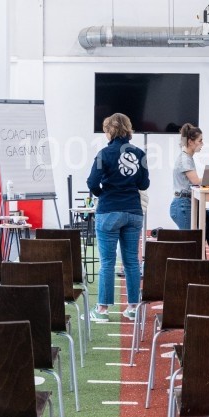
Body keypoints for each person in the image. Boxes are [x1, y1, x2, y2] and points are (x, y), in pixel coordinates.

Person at [87, 112, 149, 321]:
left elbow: (92, 183)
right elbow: (144, 184)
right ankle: (132, 308)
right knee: (131, 261)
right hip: (133, 212)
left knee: (107, 262)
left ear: (110, 131)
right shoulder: (140, 154)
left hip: (109, 211)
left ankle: (102, 310)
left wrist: (101, 194)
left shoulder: (103, 154)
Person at [170, 123, 203, 230]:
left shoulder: (187, 158)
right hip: (183, 205)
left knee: (190, 241)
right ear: (190, 142)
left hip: (184, 204)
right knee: (189, 241)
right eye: (200, 141)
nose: (202, 144)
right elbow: (196, 181)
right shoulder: (185, 160)